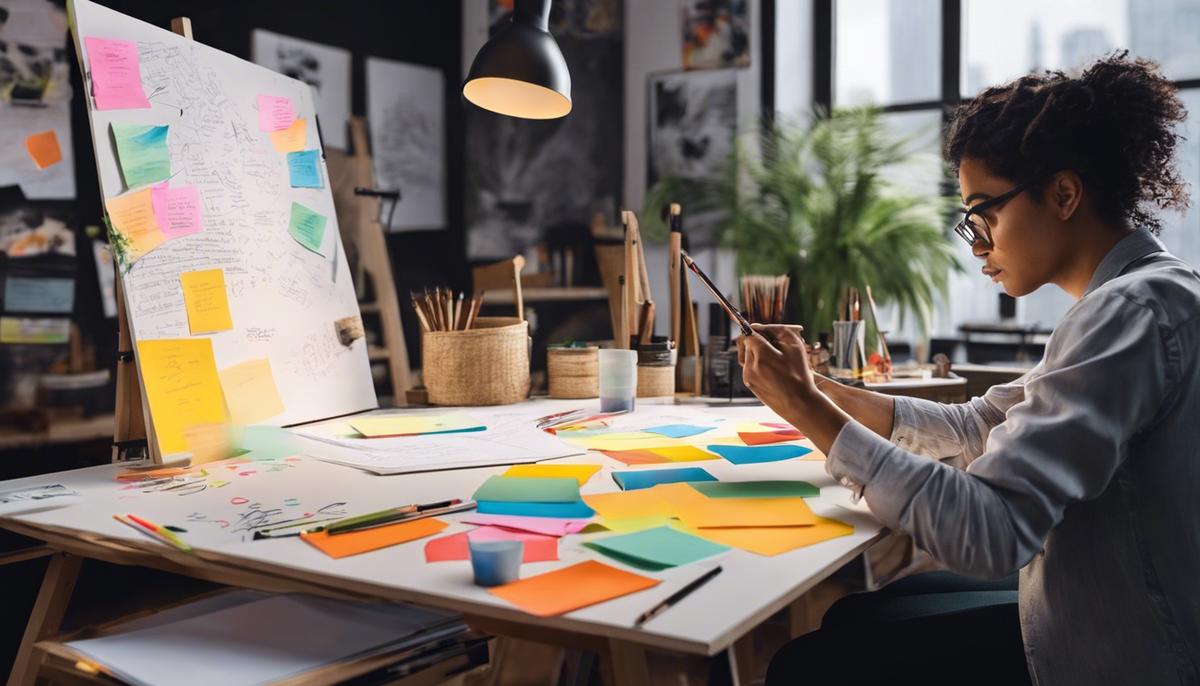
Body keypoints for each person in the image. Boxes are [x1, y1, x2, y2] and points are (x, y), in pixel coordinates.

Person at [744, 52, 1200, 685]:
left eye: (984, 213)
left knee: (805, 665)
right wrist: (815, 388)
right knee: (856, 616)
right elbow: (982, 422)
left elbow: (990, 532)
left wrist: (810, 413)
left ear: (1063, 194)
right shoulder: (1137, 295)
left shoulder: (1131, 312)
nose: (978, 245)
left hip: (1124, 649)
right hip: (1090, 602)